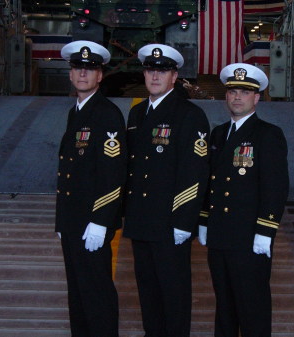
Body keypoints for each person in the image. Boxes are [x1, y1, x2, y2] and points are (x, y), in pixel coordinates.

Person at [123, 43, 210, 337]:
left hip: (170, 222)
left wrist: (184, 220)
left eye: (163, 70)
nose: (155, 75)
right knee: (147, 293)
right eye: (150, 69)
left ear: (174, 76)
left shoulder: (189, 115)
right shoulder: (136, 114)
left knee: (173, 296)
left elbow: (195, 172)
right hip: (140, 220)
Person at [198, 63, 289, 337]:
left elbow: (275, 187)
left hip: (250, 238)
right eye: (233, 91)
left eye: (245, 92)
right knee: (224, 308)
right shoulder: (218, 134)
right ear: (226, 96)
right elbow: (209, 181)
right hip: (220, 235)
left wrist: (265, 231)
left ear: (257, 97)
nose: (237, 96)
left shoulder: (268, 134)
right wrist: (204, 220)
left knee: (253, 308)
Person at [55, 40, 127, 337]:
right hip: (73, 220)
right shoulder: (76, 112)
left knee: (96, 294)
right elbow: (70, 171)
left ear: (100, 75)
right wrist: (62, 219)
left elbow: (114, 173)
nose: (82, 73)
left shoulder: (107, 113)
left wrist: (101, 221)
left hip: (92, 223)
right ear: (71, 74)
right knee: (78, 294)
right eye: (77, 68)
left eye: (90, 68)